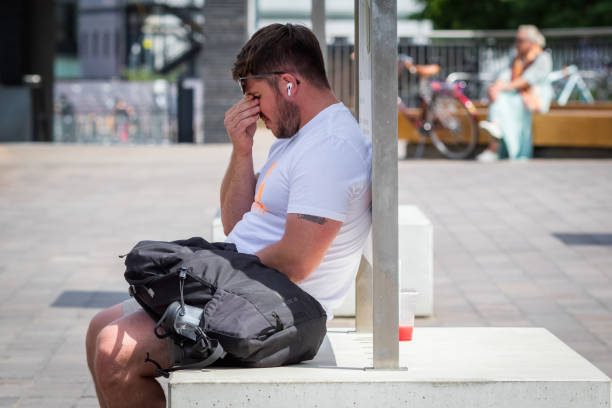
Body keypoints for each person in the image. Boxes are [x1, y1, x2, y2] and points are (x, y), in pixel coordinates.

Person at [85, 23, 372, 408]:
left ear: (288, 83)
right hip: (250, 288)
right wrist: (242, 149)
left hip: (280, 310)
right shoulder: (300, 137)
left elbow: (298, 261)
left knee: (113, 351)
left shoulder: (330, 148)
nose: (252, 110)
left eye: (255, 96)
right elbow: (237, 225)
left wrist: (213, 268)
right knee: (99, 328)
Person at [477, 25, 553, 162]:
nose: (516, 43)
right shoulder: (517, 58)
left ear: (530, 42)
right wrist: (496, 86)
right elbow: (506, 75)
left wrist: (502, 88)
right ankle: (495, 130)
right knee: (502, 99)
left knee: (504, 101)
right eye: (516, 40)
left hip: (535, 97)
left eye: (520, 40)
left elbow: (526, 80)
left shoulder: (543, 58)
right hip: (517, 96)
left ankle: (494, 146)